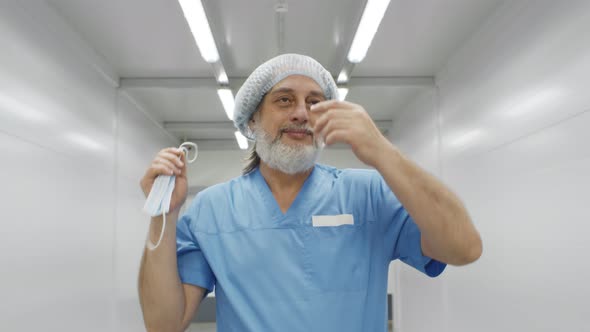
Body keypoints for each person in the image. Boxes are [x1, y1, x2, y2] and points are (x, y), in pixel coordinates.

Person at [138, 54, 482, 332]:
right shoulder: (211, 210)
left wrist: (381, 150)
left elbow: (464, 247)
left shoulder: (368, 195)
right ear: (252, 121)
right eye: (284, 100)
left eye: (315, 102)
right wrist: (163, 214)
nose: (301, 113)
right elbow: (163, 325)